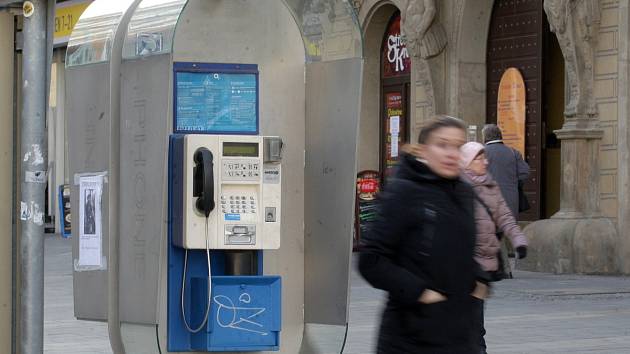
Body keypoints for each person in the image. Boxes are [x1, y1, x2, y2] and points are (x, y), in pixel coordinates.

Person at [359, 115, 487, 353]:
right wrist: (421, 293)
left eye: (458, 146)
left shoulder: (464, 193)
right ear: (423, 150)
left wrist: (479, 280)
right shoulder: (404, 192)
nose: (451, 153)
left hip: (459, 334)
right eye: (442, 144)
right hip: (410, 337)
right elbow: (371, 260)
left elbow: (458, 251)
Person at [460, 142, 528, 354]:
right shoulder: (457, 187)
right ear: (467, 162)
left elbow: (504, 216)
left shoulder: (491, 185)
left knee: (476, 320)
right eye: (479, 158)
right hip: (462, 265)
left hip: (483, 267)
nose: (485, 162)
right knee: (463, 319)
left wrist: (518, 240)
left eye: (484, 158)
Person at [481, 124, 529, 219]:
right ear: (500, 135)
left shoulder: (480, 153)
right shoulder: (513, 152)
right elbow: (525, 173)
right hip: (510, 201)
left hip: (487, 202)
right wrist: (513, 183)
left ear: (485, 137)